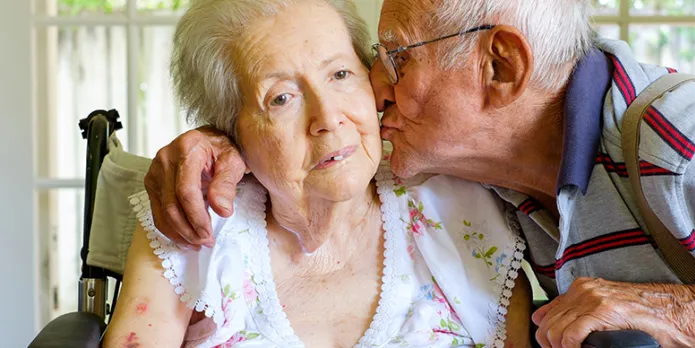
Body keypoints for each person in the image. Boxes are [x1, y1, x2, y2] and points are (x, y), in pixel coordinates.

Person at [143, 0, 695, 347]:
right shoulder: (466, 170)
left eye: (397, 58)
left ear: (500, 67)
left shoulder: (693, 157)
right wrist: (218, 140)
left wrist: (692, 313)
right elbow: (313, 137)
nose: (373, 90)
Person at [103, 0, 534, 347]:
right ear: (229, 131)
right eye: (282, 99)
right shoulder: (193, 221)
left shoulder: (460, 209)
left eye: (341, 74)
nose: (327, 117)